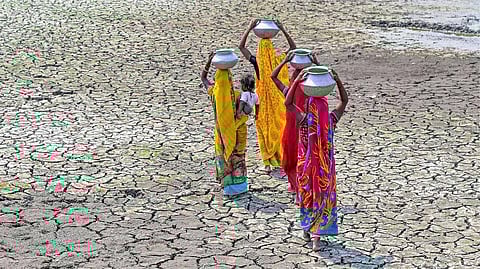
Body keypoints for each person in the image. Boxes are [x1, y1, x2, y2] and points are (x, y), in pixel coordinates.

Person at [283, 67, 348, 251]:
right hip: (324, 169)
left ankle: (306, 229)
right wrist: (336, 80)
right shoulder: (330, 120)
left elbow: (287, 104)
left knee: (307, 197)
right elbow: (344, 100)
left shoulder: (303, 120)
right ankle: (316, 240)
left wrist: (296, 82)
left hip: (306, 168)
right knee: (321, 197)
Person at [239, 19, 296, 172]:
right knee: (279, 128)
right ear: (272, 49)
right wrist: (283, 29)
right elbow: (293, 48)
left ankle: (268, 161)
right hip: (277, 100)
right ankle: (280, 157)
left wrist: (250, 28)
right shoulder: (278, 61)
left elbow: (241, 47)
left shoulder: (256, 62)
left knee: (264, 129)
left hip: (262, 102)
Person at [271, 51, 321, 194]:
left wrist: (285, 61)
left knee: (293, 159)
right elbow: (325, 81)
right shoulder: (310, 93)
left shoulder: (288, 93)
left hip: (293, 130)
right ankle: (305, 187)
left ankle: (296, 186)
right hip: (305, 129)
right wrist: (316, 64)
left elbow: (273, 76)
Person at [201, 52, 249, 196]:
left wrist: (209, 62)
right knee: (238, 157)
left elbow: (203, 78)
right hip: (238, 132)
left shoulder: (214, 93)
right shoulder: (237, 94)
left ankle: (227, 188)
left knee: (224, 157)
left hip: (221, 134)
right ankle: (240, 187)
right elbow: (248, 110)